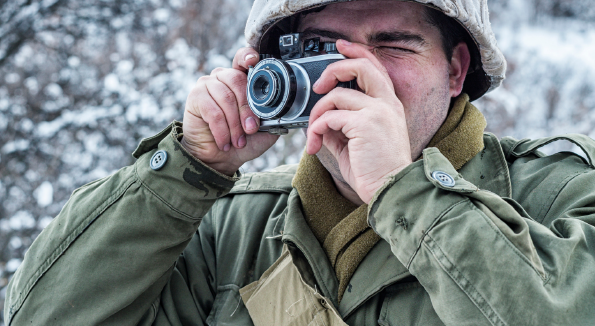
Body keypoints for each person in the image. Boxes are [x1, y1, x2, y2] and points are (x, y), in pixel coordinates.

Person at [4, 0, 595, 325]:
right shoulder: (232, 228)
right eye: (319, 50)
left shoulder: (561, 201)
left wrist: (404, 190)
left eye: (393, 45)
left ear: (456, 70)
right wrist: (183, 172)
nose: (353, 72)